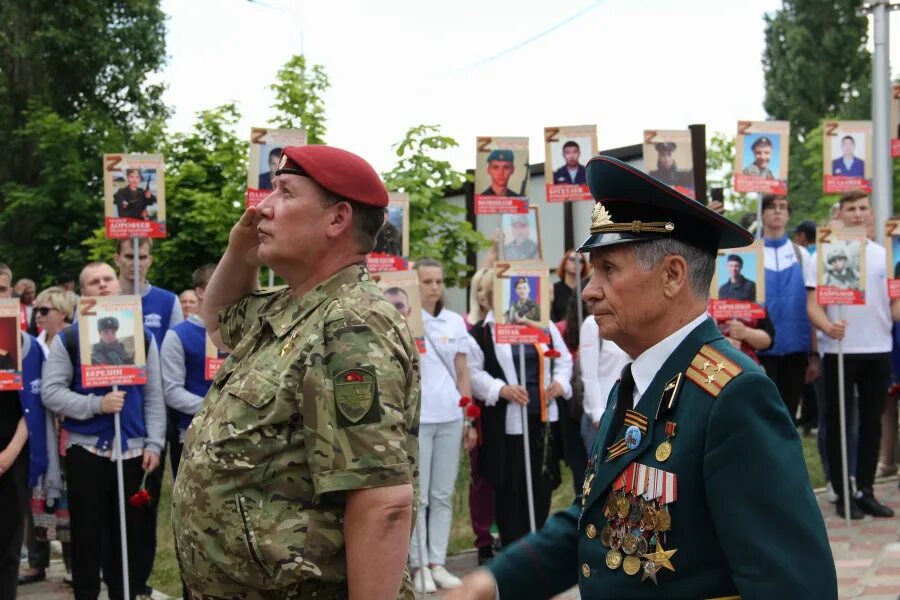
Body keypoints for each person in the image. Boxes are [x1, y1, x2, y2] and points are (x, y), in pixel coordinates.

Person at [450, 155, 835, 599]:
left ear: (672, 275)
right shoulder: (638, 381)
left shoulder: (734, 396)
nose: (590, 289)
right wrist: (492, 583)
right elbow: (598, 516)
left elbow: (794, 586)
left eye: (609, 269)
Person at [171, 145, 420, 599]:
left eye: (284, 193)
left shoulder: (351, 325)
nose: (261, 207)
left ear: (336, 220)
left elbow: (382, 502)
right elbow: (220, 318)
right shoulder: (294, 307)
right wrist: (240, 249)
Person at [41, 261, 165, 600]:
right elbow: (50, 392)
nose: (103, 285)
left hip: (134, 451)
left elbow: (154, 395)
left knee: (130, 537)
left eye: (108, 279)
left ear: (119, 285)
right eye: (94, 282)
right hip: (88, 450)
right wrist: (95, 405)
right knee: (88, 537)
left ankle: (125, 592)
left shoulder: (143, 335)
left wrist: (154, 442)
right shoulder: (69, 339)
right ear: (84, 292)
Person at [806, 189, 900, 519]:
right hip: (840, 350)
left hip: (877, 348)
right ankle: (842, 491)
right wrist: (827, 327)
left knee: (872, 422)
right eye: (851, 208)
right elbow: (813, 304)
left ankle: (866, 490)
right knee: (839, 422)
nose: (858, 214)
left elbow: (894, 306)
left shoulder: (884, 255)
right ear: (842, 213)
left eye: (863, 208)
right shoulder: (824, 254)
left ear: (870, 213)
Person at [467, 277, 572, 547]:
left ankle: (537, 543)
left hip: (542, 416)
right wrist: (500, 388)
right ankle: (514, 544)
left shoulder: (543, 325)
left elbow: (563, 360)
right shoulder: (483, 331)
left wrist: (560, 382)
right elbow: (472, 372)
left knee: (541, 483)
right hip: (507, 423)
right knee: (510, 486)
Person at [113, 236, 182, 597]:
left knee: (144, 506)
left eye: (142, 256)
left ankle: (138, 580)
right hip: (111, 418)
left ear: (150, 260)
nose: (135, 262)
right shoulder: (102, 303)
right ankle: (111, 577)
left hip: (152, 417)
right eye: (128, 255)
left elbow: (171, 358)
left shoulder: (166, 302)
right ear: (117, 258)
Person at [409, 258, 472, 592]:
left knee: (444, 493)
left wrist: (469, 419)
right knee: (418, 497)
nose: (434, 286)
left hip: (450, 415)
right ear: (414, 284)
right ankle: (418, 563)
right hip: (418, 418)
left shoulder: (454, 322)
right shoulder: (405, 320)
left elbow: (462, 372)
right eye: (427, 281)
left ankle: (438, 561)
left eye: (438, 281)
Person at [0, 265, 54, 599]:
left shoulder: (28, 348)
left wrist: (7, 456)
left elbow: (31, 406)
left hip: (12, 458)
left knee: (7, 544)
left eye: (2, 289)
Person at [20, 286, 75, 587]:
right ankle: (37, 560)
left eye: (44, 310)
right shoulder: (34, 344)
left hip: (67, 430)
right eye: (36, 310)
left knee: (68, 501)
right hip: (39, 428)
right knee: (36, 497)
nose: (37, 316)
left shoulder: (74, 341)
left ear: (63, 312)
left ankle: (73, 564)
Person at [756, 194, 819, 424]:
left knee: (789, 416)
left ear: (789, 215)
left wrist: (814, 355)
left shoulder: (802, 255)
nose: (777, 211)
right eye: (772, 207)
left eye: (783, 207)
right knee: (761, 416)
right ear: (762, 213)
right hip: (759, 349)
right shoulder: (750, 252)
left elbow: (813, 307)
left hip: (795, 349)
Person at [464, 268, 498, 566]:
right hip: (484, 411)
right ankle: (484, 537)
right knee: (482, 476)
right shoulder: (472, 330)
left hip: (509, 413)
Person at [550, 250, 588, 323]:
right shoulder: (553, 289)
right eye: (572, 259)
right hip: (559, 332)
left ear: (583, 266)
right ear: (564, 263)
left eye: (580, 261)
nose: (576, 263)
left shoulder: (586, 289)